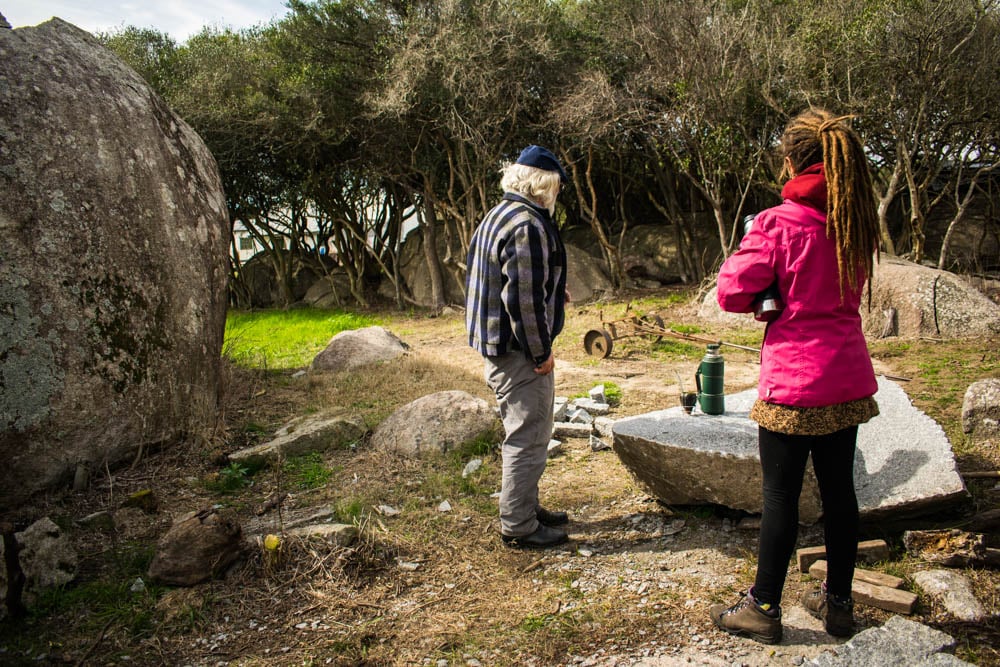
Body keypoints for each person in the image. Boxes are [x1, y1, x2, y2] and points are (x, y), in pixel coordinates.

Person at [709, 109, 882, 644]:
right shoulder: (854, 220)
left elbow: (731, 292)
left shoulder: (777, 222)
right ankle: (840, 605)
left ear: (791, 163)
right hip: (847, 378)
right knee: (840, 495)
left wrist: (753, 250)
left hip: (794, 384)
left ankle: (762, 608)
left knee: (780, 495)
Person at [465, 144, 571, 549]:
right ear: (544, 185)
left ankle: (526, 506)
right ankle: (519, 526)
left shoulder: (500, 213)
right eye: (557, 186)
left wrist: (555, 291)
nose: (558, 194)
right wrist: (541, 353)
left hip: (497, 345)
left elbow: (506, 278)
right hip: (518, 352)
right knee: (527, 437)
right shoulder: (527, 223)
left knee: (531, 432)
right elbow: (522, 302)